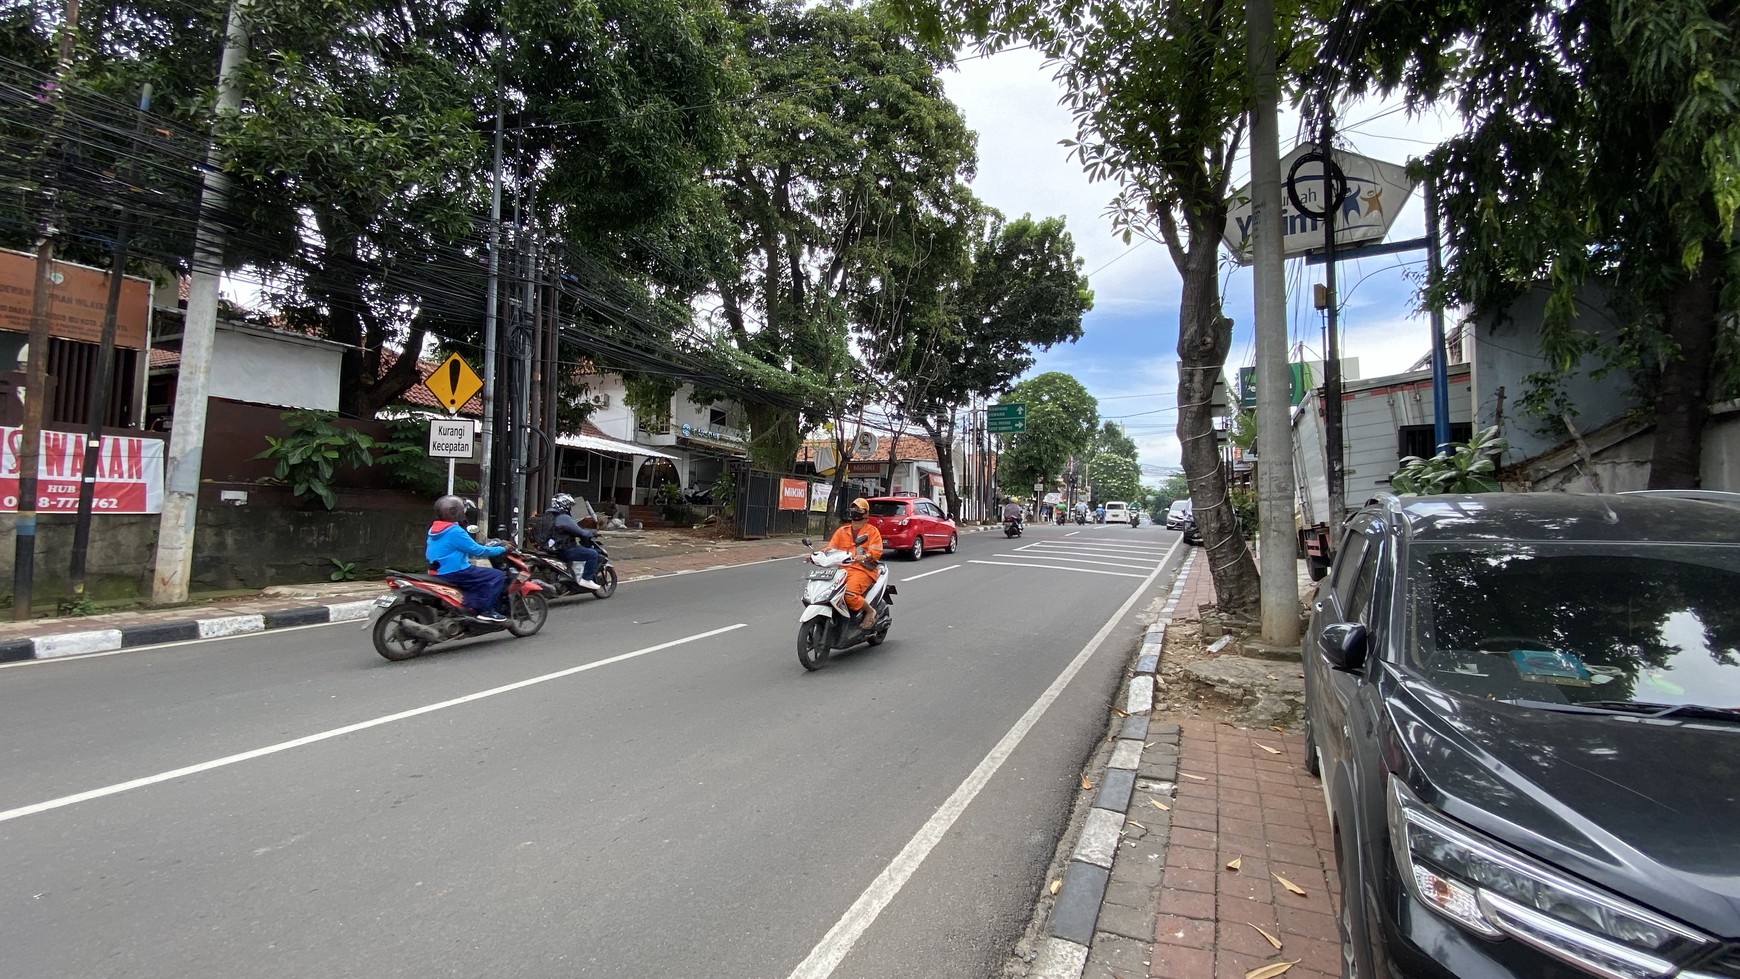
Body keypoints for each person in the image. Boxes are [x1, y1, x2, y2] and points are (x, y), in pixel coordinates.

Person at [427, 495, 508, 622]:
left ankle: (468, 605)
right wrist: (503, 549)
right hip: (455, 571)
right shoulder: (455, 531)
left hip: (436, 571)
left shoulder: (434, 529)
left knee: (476, 576)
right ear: (455, 511)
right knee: (496, 575)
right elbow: (477, 550)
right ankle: (485, 610)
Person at [826, 497, 885, 630]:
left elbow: (876, 551)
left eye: (859, 509)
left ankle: (870, 611)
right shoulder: (842, 531)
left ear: (866, 514)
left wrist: (865, 556)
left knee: (849, 595)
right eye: (853, 508)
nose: (855, 512)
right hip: (842, 570)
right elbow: (830, 548)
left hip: (863, 570)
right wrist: (815, 556)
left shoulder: (872, 531)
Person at [544, 493, 603, 592]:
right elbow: (579, 532)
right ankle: (586, 579)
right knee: (592, 554)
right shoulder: (564, 518)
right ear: (564, 505)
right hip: (565, 549)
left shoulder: (551, 516)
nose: (570, 507)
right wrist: (592, 532)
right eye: (569, 505)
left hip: (552, 549)